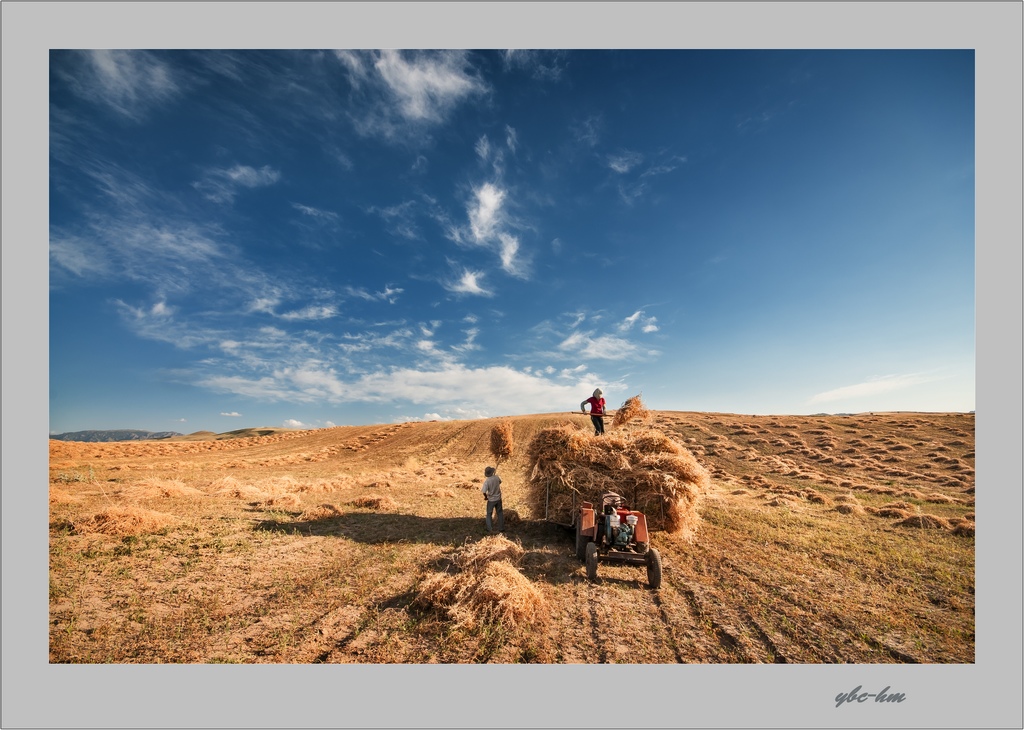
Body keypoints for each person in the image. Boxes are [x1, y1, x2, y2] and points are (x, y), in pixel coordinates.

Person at [481, 465, 504, 533]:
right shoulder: (496, 477)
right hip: (498, 498)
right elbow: (500, 482)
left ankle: (489, 528)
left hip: (491, 500)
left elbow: (484, 491)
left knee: (489, 514)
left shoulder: (487, 481)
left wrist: (486, 497)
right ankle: (501, 528)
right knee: (500, 513)